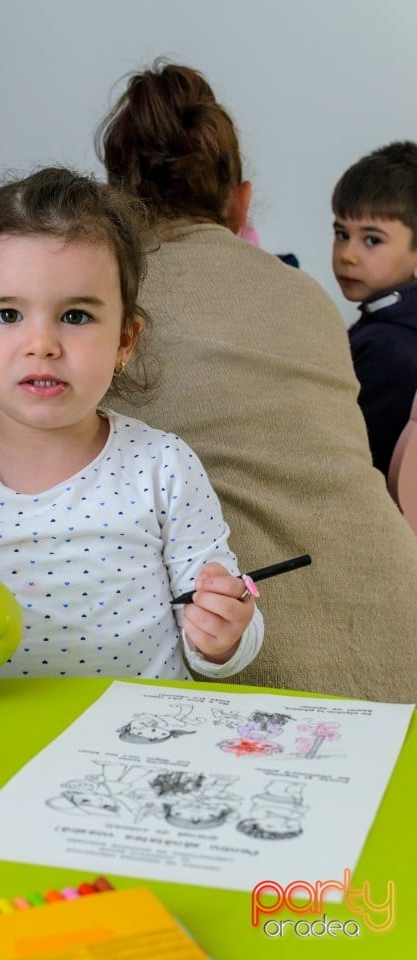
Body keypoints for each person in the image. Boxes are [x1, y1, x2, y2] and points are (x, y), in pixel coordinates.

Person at [0, 167, 263, 695]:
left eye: (74, 316)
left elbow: (225, 622)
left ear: (124, 339)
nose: (41, 343)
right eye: (6, 315)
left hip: (138, 744)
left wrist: (223, 637)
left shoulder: (163, 466)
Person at [96, 60, 417, 704]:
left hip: (241, 650)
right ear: (240, 202)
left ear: (111, 205)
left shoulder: (104, 298)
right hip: (396, 618)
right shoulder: (306, 296)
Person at [332, 141, 417, 478]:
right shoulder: (390, 325)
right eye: (341, 233)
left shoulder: (388, 346)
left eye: (372, 240)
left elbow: (352, 460)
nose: (347, 255)